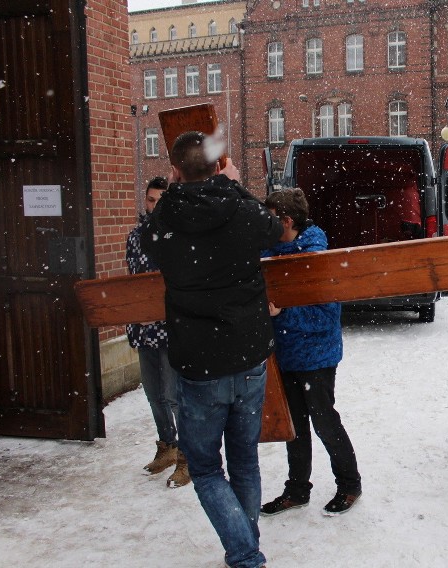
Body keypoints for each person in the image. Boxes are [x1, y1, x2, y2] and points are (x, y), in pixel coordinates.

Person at [141, 131, 283, 568]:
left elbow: (151, 244)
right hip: (248, 356)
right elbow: (275, 229)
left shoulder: (165, 218)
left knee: (205, 469)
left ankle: (245, 554)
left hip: (199, 364)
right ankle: (247, 544)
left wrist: (179, 191)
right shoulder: (239, 207)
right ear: (220, 166)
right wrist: (232, 183)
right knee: (244, 460)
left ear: (175, 171)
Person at [259, 188, 362, 517]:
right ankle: (297, 490)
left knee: (324, 423)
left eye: (271, 218)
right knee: (294, 426)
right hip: (285, 356)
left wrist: (282, 315)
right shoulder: (269, 252)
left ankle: (349, 484)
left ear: (287, 221)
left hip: (317, 357)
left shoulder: (317, 257)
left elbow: (326, 316)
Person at [125, 176, 189, 488]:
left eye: (160, 200)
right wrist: (133, 321)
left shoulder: (181, 235)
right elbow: (132, 282)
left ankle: (187, 458)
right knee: (154, 394)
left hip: (172, 329)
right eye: (150, 200)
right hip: (144, 329)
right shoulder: (136, 236)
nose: (154, 206)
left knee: (174, 395)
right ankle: (167, 445)